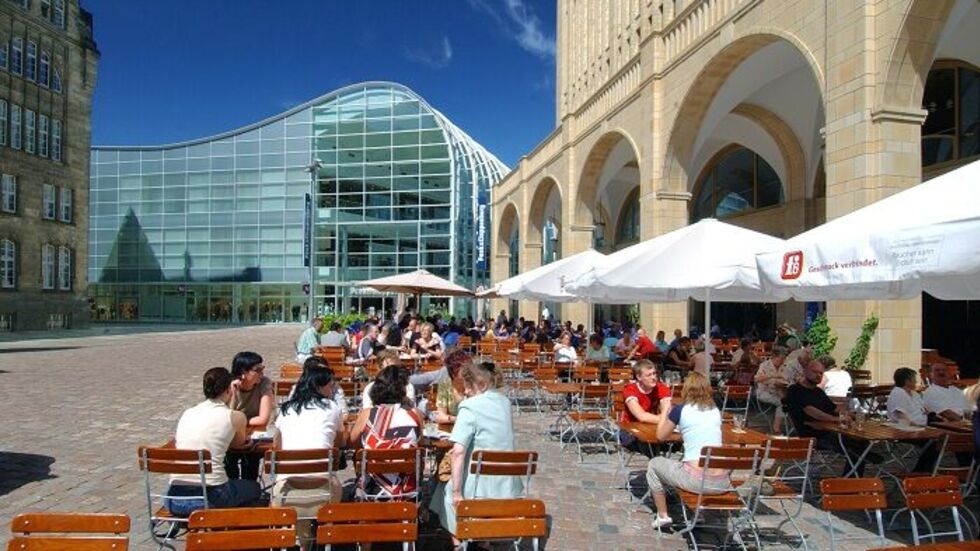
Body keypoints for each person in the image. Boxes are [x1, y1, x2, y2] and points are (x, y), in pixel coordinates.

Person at [430, 361, 521, 545]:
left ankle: (459, 542)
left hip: (480, 483)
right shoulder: (505, 403)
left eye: (468, 387)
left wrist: (456, 492)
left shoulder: (469, 406)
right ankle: (482, 541)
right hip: (507, 484)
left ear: (481, 385)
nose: (466, 392)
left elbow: (458, 452)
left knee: (446, 491)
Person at [166, 367, 261, 516]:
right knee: (254, 488)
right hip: (211, 497)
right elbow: (238, 444)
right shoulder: (236, 417)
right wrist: (232, 400)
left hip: (175, 498)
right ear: (229, 389)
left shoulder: (188, 412)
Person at [272, 364, 345, 548]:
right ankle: (319, 539)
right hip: (325, 493)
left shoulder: (286, 409)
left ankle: (303, 542)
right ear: (319, 386)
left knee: (297, 483)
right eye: (331, 386)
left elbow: (276, 447)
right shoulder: (332, 407)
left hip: (286, 494)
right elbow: (339, 443)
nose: (333, 390)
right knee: (329, 480)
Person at [645, 371, 728, 529]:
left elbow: (660, 436)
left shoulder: (681, 410)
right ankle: (698, 513)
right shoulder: (715, 410)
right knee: (688, 463)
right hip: (722, 482)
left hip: (697, 482)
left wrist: (665, 412)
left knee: (654, 464)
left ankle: (662, 515)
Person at [785, 357, 874, 476]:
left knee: (860, 442)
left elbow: (834, 408)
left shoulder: (818, 392)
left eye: (821, 373)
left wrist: (853, 414)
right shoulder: (795, 390)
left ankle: (853, 476)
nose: (818, 375)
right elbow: (811, 411)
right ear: (805, 371)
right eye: (815, 372)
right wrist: (836, 419)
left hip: (829, 431)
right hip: (813, 435)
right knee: (856, 446)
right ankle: (853, 476)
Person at [349, 365, 422, 500]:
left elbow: (353, 442)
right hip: (406, 492)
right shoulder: (414, 415)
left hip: (371, 491)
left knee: (359, 456)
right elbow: (420, 442)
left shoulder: (367, 414)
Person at [225, 351, 274, 480]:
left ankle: (249, 487)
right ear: (243, 372)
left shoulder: (264, 383)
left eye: (262, 368)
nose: (262, 373)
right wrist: (233, 396)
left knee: (251, 456)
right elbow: (225, 419)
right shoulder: (228, 386)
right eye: (258, 370)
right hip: (232, 436)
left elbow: (263, 419)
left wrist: (239, 421)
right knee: (228, 457)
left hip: (255, 435)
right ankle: (232, 486)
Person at [887, 367, 941, 473]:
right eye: (914, 379)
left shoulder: (914, 393)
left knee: (944, 436)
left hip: (923, 425)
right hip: (905, 430)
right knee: (934, 443)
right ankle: (921, 471)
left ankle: (925, 470)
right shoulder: (898, 393)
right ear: (907, 381)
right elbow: (901, 415)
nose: (916, 381)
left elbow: (924, 409)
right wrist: (918, 426)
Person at [619, 360, 671, 457]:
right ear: (639, 377)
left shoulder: (661, 388)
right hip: (629, 430)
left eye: (654, 374)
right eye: (649, 375)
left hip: (652, 427)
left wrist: (666, 417)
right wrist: (666, 419)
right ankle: (656, 463)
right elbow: (641, 416)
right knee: (648, 444)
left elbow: (667, 410)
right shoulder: (630, 389)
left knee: (677, 442)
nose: (653, 378)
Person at [754, 347, 789, 433]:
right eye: (780, 359)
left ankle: (793, 426)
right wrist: (772, 376)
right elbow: (757, 379)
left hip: (779, 391)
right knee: (782, 403)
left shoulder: (784, 366)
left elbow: (787, 379)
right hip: (765, 392)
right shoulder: (764, 365)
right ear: (774, 357)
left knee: (793, 401)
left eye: (783, 359)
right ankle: (776, 428)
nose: (782, 361)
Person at [432, 349, 471, 424]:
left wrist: (450, 418)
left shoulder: (474, 385)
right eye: (464, 368)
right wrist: (457, 419)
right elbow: (440, 417)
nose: (468, 371)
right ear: (453, 372)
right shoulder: (445, 384)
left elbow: (477, 417)